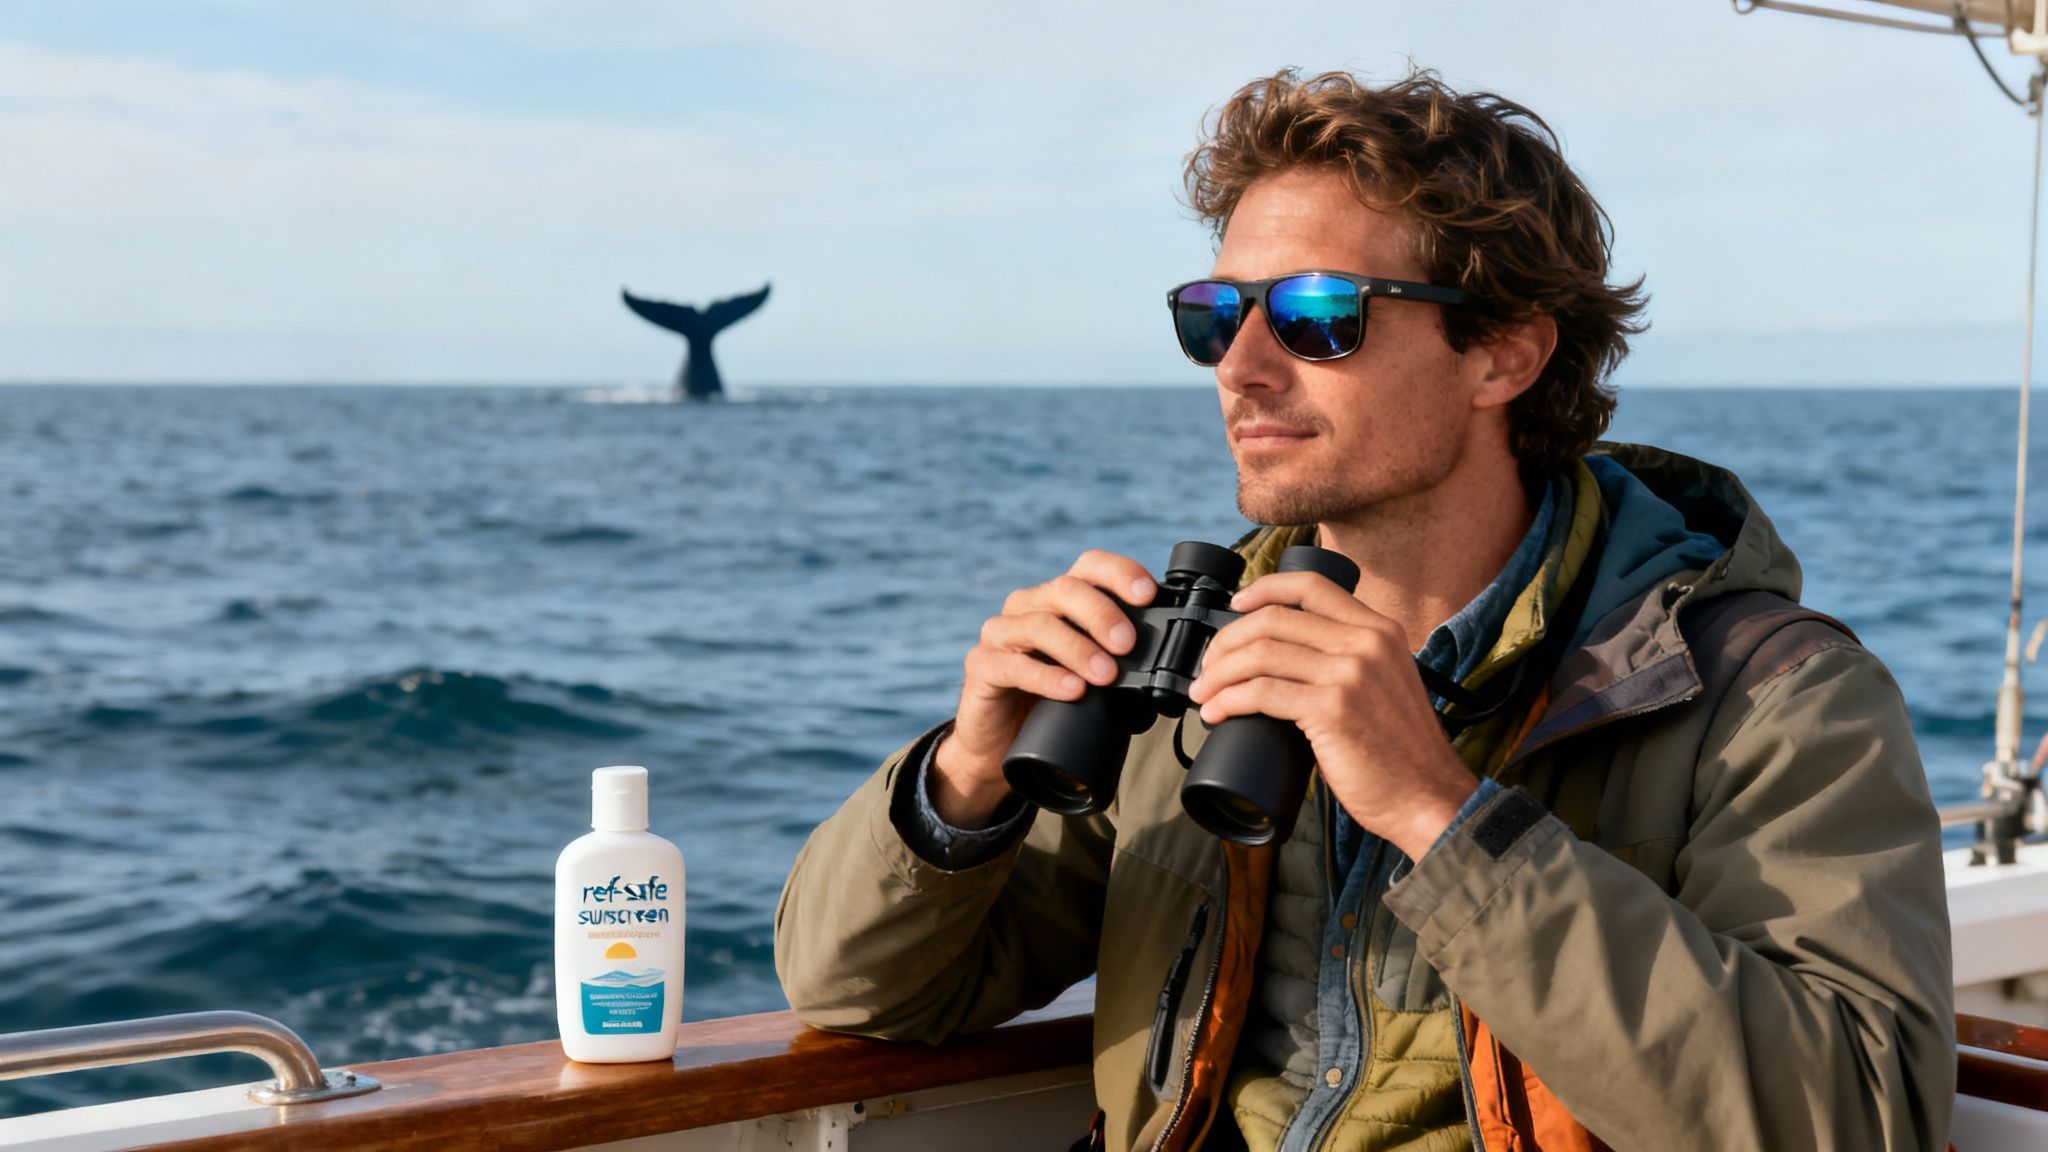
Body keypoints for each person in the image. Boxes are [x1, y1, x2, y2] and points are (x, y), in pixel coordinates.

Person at [775, 68, 1955, 1152]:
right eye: (1211, 314)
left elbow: (1853, 1119)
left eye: (1315, 315)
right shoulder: (1197, 663)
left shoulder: (1768, 698)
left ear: (1502, 354)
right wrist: (963, 781)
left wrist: (1443, 817)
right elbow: (859, 992)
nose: (1238, 365)